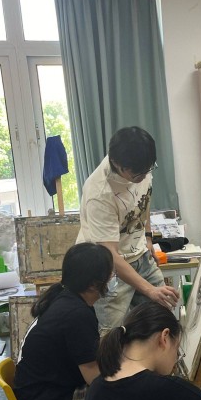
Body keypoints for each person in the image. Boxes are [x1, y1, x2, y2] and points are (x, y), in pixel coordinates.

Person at [77, 126, 179, 333]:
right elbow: (110, 255)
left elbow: (142, 203)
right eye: (137, 174)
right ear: (117, 163)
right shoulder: (99, 193)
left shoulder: (142, 168)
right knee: (112, 333)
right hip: (109, 269)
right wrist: (149, 290)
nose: (144, 176)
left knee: (163, 318)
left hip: (141, 257)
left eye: (148, 169)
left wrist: (148, 238)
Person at [14, 242, 113, 400]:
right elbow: (95, 379)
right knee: (128, 398)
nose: (112, 279)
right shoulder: (76, 315)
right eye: (111, 275)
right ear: (94, 283)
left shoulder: (63, 296)